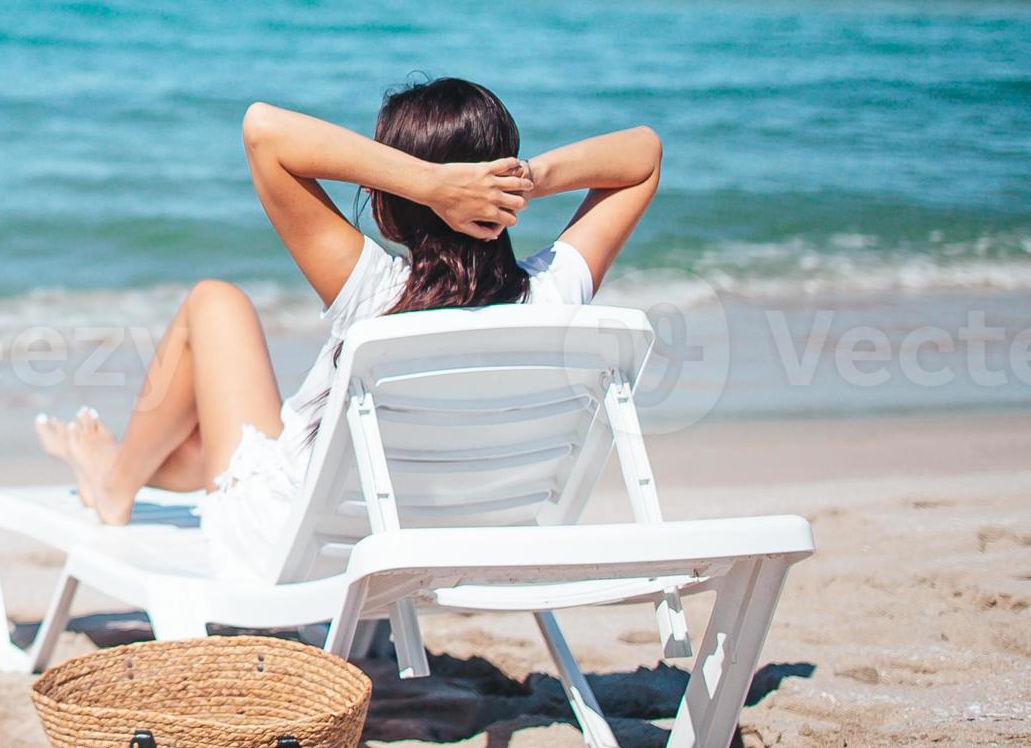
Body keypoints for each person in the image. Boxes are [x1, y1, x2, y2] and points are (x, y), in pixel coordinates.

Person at [34, 77, 664, 575]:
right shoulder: (554, 295)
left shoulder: (376, 296)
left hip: (291, 549)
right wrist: (525, 181)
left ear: (390, 202)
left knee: (214, 302)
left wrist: (430, 184)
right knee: (223, 442)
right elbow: (643, 154)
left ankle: (116, 485)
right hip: (433, 546)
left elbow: (262, 130)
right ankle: (138, 463)